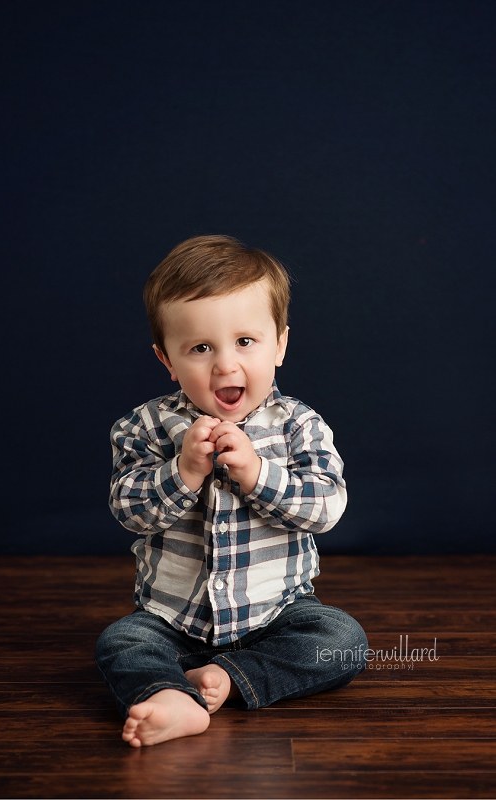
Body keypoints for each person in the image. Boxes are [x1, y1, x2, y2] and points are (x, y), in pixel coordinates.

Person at [95, 234, 368, 747]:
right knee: (122, 641)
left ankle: (232, 676)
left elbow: (328, 506)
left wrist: (257, 474)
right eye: (200, 348)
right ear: (167, 360)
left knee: (343, 641)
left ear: (280, 344)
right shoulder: (146, 427)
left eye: (245, 341)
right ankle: (168, 695)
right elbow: (128, 509)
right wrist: (184, 472)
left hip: (277, 614)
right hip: (171, 619)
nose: (225, 364)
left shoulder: (297, 425)